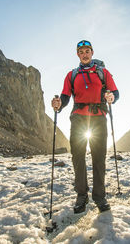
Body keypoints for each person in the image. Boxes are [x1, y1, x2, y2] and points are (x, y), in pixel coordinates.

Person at [51, 40, 119, 213]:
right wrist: (59, 104)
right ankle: (81, 195)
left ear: (92, 52)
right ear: (78, 55)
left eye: (87, 51)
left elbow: (115, 93)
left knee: (99, 157)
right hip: (79, 119)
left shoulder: (103, 72)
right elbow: (65, 97)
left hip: (98, 119)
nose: (85, 54)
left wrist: (111, 98)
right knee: (78, 157)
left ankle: (99, 196)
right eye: (81, 52)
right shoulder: (71, 75)